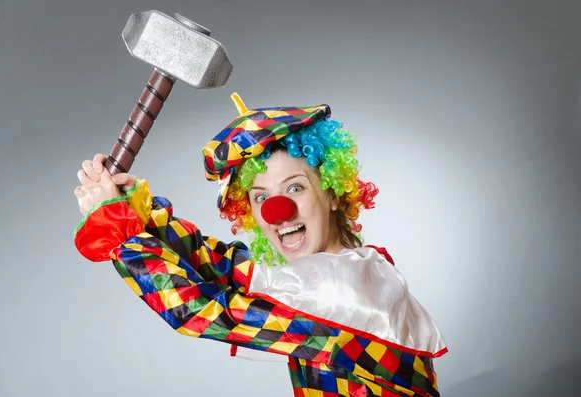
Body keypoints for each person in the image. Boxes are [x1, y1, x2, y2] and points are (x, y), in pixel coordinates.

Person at [73, 93, 447, 397]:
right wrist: (139, 212)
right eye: (260, 196)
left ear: (333, 193)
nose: (277, 211)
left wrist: (120, 234)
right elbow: (227, 266)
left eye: (295, 188)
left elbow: (202, 312)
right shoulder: (355, 267)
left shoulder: (342, 293)